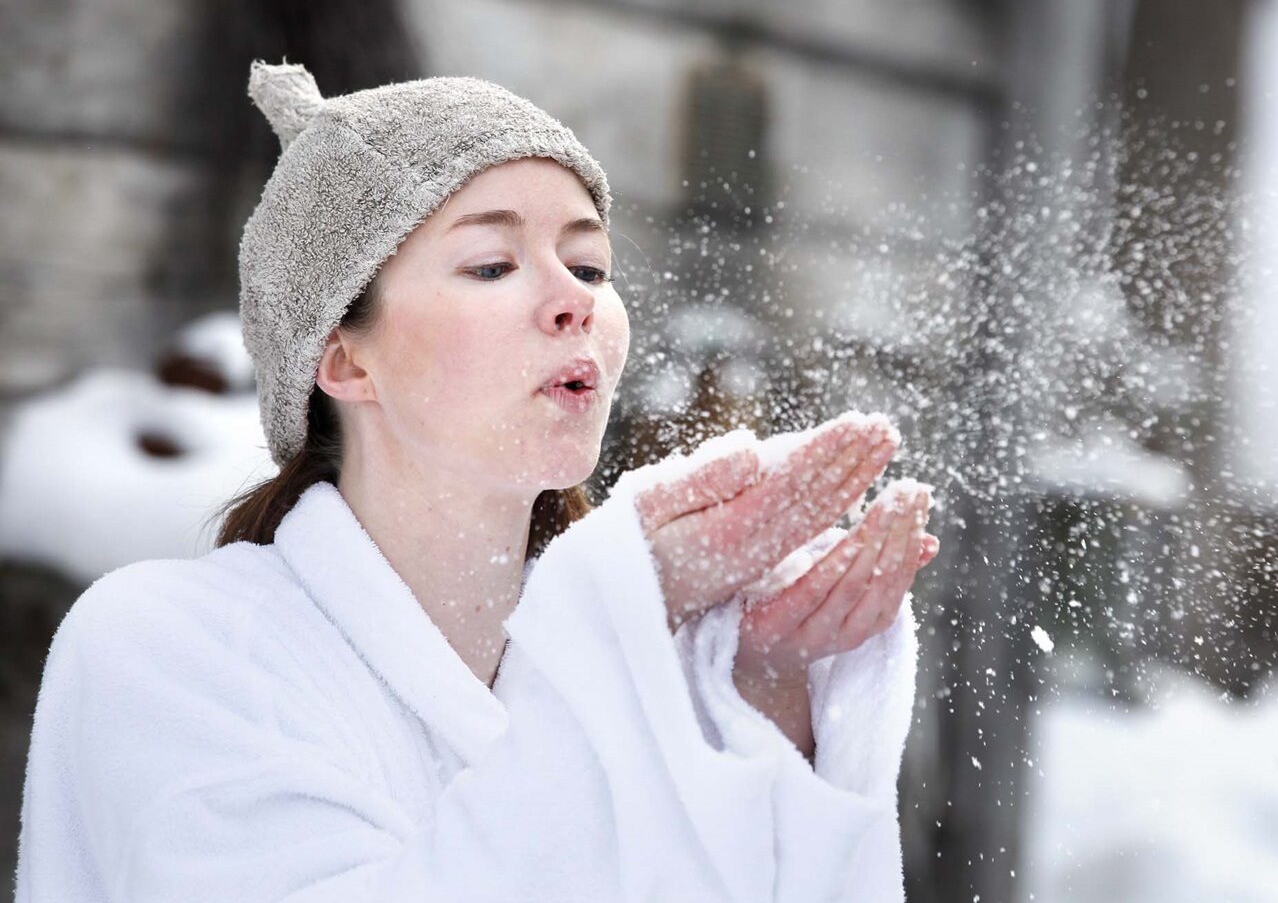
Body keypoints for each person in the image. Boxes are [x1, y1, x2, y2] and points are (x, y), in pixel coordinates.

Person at [13, 60, 938, 902]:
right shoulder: (166, 649)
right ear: (344, 359)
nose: (575, 299)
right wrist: (616, 623)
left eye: (590, 264)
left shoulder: (663, 664)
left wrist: (764, 701)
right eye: (492, 264)